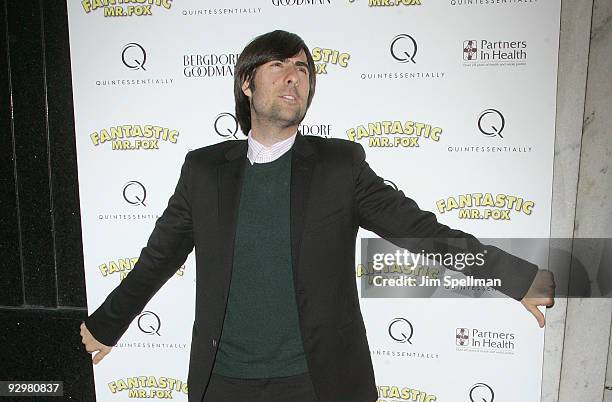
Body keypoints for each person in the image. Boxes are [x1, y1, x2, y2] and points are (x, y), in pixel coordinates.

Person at [80, 30, 555, 402]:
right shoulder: (205, 170)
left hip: (320, 383)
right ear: (247, 83)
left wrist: (515, 278)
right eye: (279, 65)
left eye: (304, 69)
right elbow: (158, 257)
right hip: (224, 383)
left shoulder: (338, 166)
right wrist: (108, 323)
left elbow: (421, 232)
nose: (294, 76)